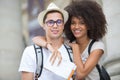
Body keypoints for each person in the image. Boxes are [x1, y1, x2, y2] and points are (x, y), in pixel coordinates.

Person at [32, 0, 107, 80]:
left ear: (89, 25)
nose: (76, 27)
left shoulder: (97, 46)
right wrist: (49, 46)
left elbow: (80, 74)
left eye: (82, 23)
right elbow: (36, 39)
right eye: (73, 23)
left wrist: (75, 48)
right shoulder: (69, 41)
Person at [18, 2, 75, 80]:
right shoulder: (30, 52)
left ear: (63, 26)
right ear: (44, 26)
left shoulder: (72, 51)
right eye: (50, 22)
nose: (55, 26)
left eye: (59, 22)